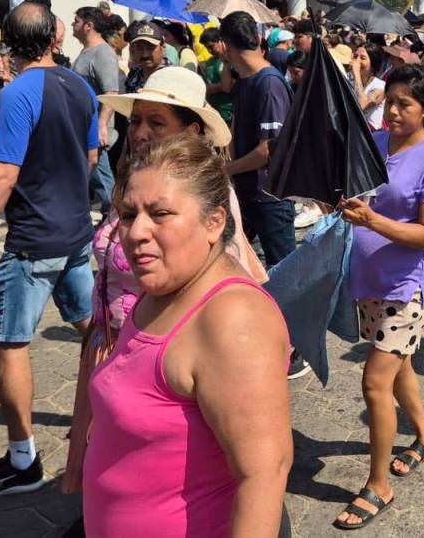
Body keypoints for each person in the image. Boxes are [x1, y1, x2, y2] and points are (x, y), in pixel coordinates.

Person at [63, 66, 267, 495]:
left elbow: (221, 284)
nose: (140, 132)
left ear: (192, 132)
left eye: (157, 122)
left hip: (161, 366)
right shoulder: (135, 179)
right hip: (113, 349)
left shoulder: (205, 198)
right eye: (136, 120)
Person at [83, 135, 292, 537]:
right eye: (128, 215)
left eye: (160, 213)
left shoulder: (232, 318)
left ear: (214, 222)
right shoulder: (162, 288)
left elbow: (264, 474)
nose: (137, 231)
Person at [0, 0, 97, 500]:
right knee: (94, 329)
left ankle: (21, 460)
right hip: (76, 231)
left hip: (34, 241)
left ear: (7, 43)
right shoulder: (79, 85)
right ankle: (114, 420)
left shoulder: (18, 94)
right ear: (55, 38)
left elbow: (4, 174)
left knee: (9, 344)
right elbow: (92, 153)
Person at [332, 65, 424, 529]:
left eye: (405, 104)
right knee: (399, 362)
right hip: (370, 278)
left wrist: (372, 222)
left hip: (408, 287)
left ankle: (378, 484)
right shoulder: (377, 143)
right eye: (390, 101)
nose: (394, 111)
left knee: (374, 381)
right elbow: (363, 193)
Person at [219, 11, 298, 270]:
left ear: (226, 47)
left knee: (284, 273)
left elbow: (267, 149)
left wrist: (226, 169)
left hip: (270, 198)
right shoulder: (245, 81)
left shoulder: (269, 83)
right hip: (246, 193)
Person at [72, 6, 122, 215]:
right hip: (83, 128)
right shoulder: (87, 51)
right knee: (92, 178)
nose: (73, 25)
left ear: (89, 26)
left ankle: (116, 217)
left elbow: (112, 91)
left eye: (76, 21)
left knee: (101, 179)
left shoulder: (102, 53)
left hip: (95, 131)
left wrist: (101, 125)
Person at [198, 26, 235, 125]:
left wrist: (218, 87)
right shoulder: (209, 62)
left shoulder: (232, 59)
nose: (209, 50)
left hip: (229, 112)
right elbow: (204, 87)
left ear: (221, 41)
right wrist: (220, 86)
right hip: (213, 111)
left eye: (211, 46)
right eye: (206, 48)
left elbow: (230, 86)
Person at [124, 21, 171, 93]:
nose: (144, 54)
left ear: (163, 47)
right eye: (139, 48)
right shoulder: (134, 72)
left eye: (150, 47)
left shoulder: (171, 75)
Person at [354, 44, 387, 130]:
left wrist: (357, 74)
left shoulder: (380, 87)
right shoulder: (350, 81)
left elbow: (362, 105)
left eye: (363, 58)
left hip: (370, 135)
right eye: (355, 56)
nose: (357, 61)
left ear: (373, 65)